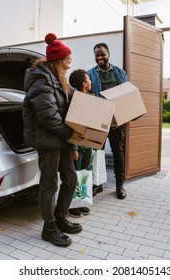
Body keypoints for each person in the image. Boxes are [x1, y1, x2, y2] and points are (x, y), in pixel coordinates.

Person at [22, 33, 84, 247]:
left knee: (70, 178)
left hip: (61, 138)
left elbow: (73, 98)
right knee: (49, 184)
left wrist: (94, 103)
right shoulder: (40, 80)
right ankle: (48, 228)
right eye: (67, 61)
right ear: (58, 60)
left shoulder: (59, 79)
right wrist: (70, 135)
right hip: (48, 139)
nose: (69, 65)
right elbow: (48, 116)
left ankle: (60, 217)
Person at [87, 42, 128, 200]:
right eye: (97, 55)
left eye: (102, 54)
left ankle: (119, 185)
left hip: (117, 120)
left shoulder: (119, 72)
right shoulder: (90, 73)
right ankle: (98, 184)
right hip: (99, 120)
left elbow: (126, 93)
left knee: (118, 152)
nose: (99, 57)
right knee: (97, 152)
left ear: (108, 54)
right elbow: (87, 95)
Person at [67, 69, 93, 218]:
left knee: (83, 175)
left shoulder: (88, 99)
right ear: (84, 83)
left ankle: (81, 202)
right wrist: (74, 148)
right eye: (89, 79)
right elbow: (73, 125)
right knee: (74, 176)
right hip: (77, 147)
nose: (91, 81)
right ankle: (71, 206)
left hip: (87, 146)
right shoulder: (75, 101)